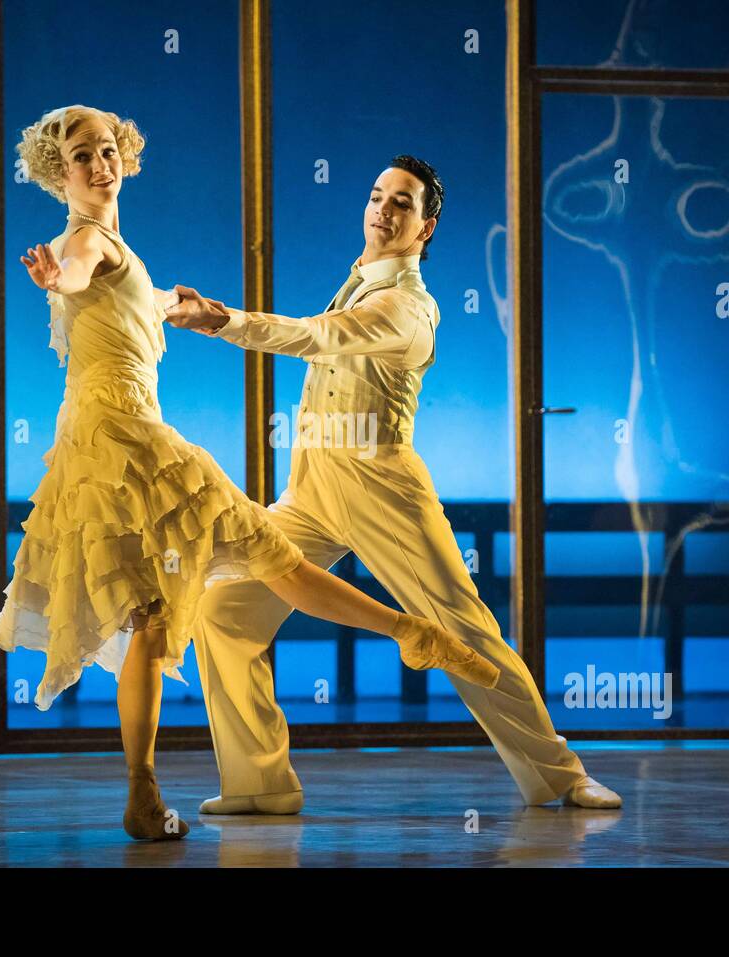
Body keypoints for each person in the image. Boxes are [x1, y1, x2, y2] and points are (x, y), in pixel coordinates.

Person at [0, 108, 499, 843]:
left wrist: (187, 307)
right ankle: (408, 630)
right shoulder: (86, 240)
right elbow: (75, 269)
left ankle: (142, 791)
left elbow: (135, 301)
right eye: (79, 156)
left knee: (153, 621)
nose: (97, 165)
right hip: (126, 441)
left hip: (97, 443)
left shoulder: (113, 246)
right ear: (56, 172)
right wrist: (58, 280)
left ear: (124, 160)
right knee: (262, 552)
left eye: (106, 151)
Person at [164, 155, 622, 813]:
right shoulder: (357, 281)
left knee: (464, 630)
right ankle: (260, 782)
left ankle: (562, 773)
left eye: (402, 203)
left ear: (426, 226)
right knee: (224, 606)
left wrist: (222, 319)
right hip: (313, 490)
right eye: (377, 194)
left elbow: (315, 337)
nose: (384, 209)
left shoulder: (409, 308)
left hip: (384, 491)